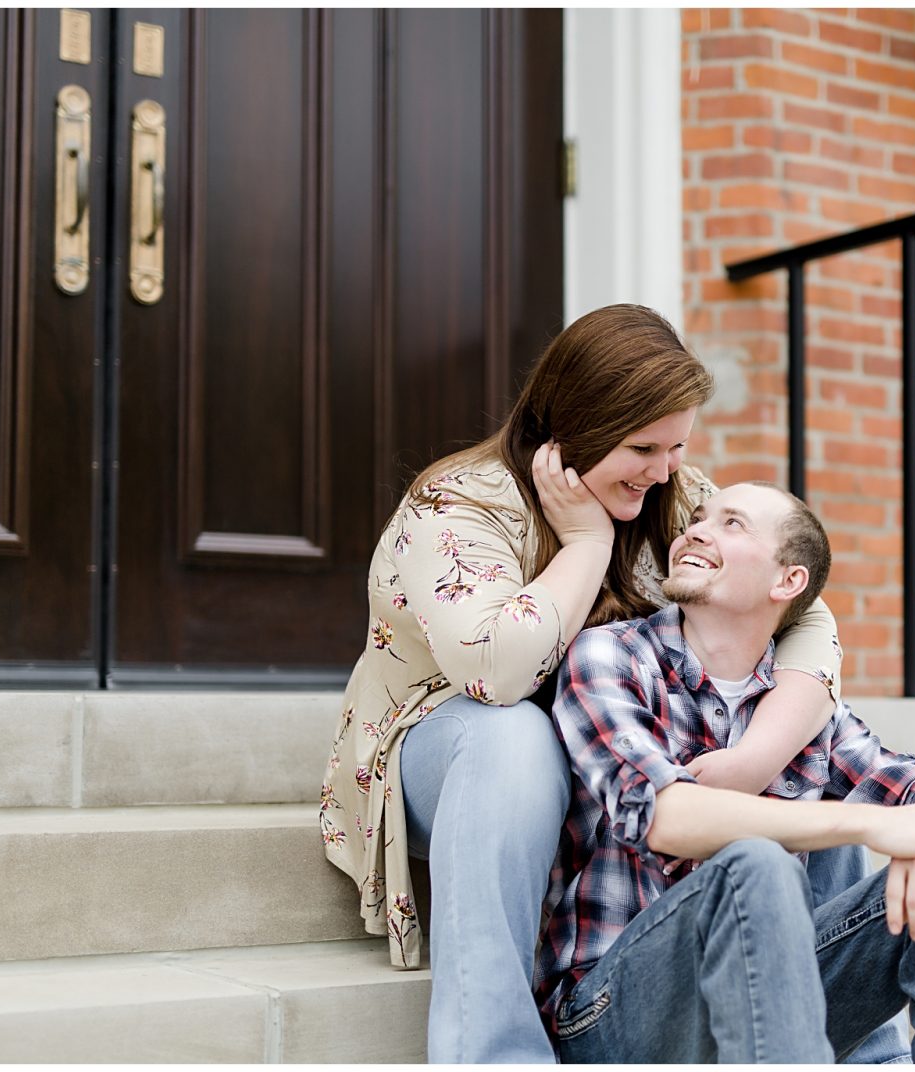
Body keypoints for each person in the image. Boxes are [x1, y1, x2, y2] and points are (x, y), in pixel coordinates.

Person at [319, 306, 851, 1063]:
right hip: (459, 752)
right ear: (571, 428)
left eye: (678, 446)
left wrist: (756, 757)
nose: (667, 470)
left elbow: (799, 613)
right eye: (644, 447)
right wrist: (588, 543)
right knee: (517, 737)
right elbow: (500, 674)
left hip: (606, 751)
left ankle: (847, 1036)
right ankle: (495, 1053)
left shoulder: (674, 494)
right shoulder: (457, 507)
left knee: (805, 723)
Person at [536, 482, 915, 1063]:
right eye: (698, 518)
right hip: (613, 1010)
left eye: (732, 524)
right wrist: (863, 824)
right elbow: (662, 815)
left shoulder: (802, 711)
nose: (695, 530)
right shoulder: (611, 657)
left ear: (787, 581)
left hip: (772, 1002)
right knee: (756, 866)